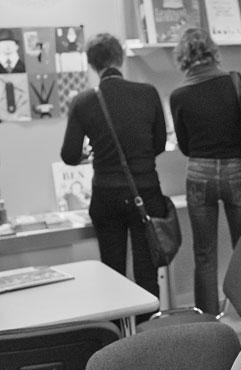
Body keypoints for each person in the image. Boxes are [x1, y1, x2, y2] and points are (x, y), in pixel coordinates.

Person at [60, 33, 167, 301]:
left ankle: (118, 325)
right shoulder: (148, 93)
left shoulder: (83, 101)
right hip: (145, 191)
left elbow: (69, 155)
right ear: (120, 58)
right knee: (147, 272)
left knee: (112, 273)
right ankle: (150, 325)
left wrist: (92, 152)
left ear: (92, 64)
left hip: (106, 195)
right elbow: (159, 145)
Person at [169, 28, 241, 315]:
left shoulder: (178, 95)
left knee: (204, 254)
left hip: (199, 173)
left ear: (183, 58)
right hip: (237, 171)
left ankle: (207, 321)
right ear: (212, 52)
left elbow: (185, 146)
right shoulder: (234, 82)